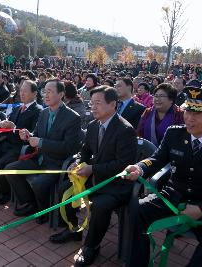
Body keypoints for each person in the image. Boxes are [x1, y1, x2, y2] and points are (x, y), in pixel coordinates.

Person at [125, 88, 202, 267]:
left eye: (198, 113)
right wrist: (140, 168)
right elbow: (157, 159)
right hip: (173, 196)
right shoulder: (174, 133)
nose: (190, 118)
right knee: (137, 210)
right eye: (188, 110)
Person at [49, 86, 137, 266]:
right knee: (65, 188)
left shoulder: (125, 130)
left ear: (113, 104)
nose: (93, 107)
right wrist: (78, 161)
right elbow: (85, 151)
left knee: (100, 205)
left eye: (98, 103)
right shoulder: (92, 125)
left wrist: (92, 169)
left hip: (116, 183)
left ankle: (92, 246)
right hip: (95, 176)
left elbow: (122, 165)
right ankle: (73, 229)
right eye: (91, 103)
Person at [5, 79, 82, 224]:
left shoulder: (72, 118)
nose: (46, 95)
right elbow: (37, 134)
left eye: (50, 92)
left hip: (56, 163)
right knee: (10, 170)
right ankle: (30, 204)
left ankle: (44, 211)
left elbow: (68, 148)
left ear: (61, 94)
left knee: (38, 183)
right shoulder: (44, 113)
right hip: (39, 158)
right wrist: (28, 135)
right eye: (44, 91)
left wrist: (41, 142)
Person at [0, 80, 43, 204]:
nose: (22, 94)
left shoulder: (38, 111)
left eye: (25, 91)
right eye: (21, 90)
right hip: (6, 142)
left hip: (20, 147)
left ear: (34, 93)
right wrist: (4, 124)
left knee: (1, 163)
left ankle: (5, 193)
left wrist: (14, 127)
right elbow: (9, 124)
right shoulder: (18, 107)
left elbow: (33, 133)